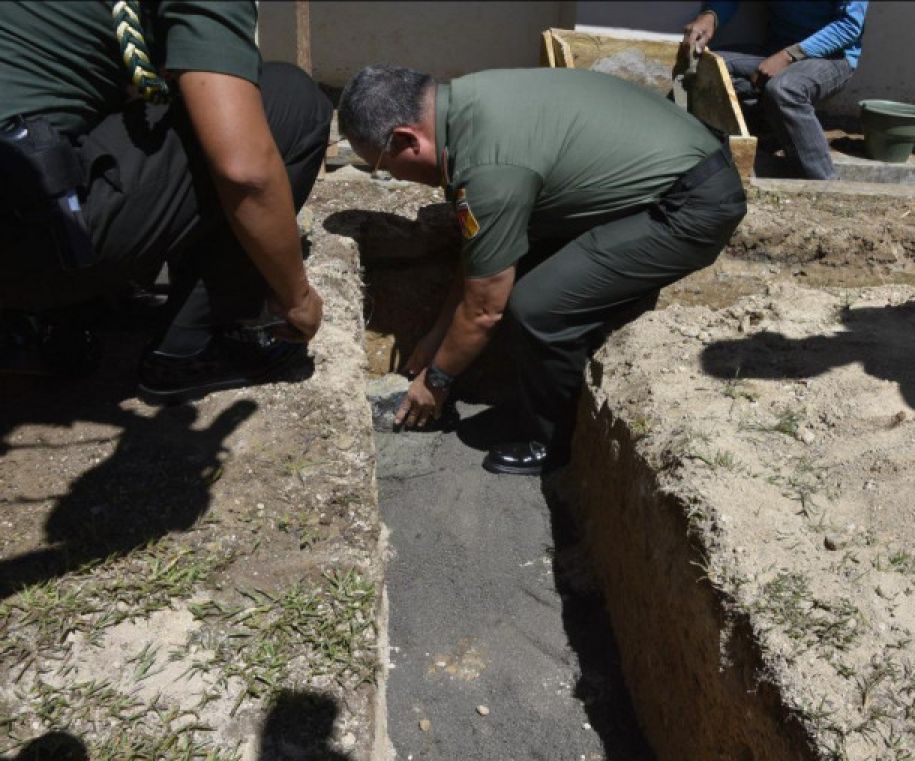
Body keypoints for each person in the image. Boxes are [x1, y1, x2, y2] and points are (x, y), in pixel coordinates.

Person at [337, 65, 747, 475]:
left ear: (408, 140)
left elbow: (485, 309)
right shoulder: (466, 105)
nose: (395, 178)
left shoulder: (489, 167)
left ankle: (551, 441)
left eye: (385, 168)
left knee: (538, 306)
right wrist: (434, 339)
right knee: (521, 268)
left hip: (692, 205)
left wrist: (435, 383)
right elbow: (482, 256)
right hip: (668, 166)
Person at [0, 0, 332, 401]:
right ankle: (192, 345)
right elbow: (245, 172)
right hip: (21, 241)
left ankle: (39, 323)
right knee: (291, 100)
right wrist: (297, 298)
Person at [683, 1, 868, 180]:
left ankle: (823, 180)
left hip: (832, 58)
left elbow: (849, 27)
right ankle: (772, 136)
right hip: (774, 50)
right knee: (710, 67)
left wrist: (789, 55)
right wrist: (710, 16)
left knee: (783, 89)